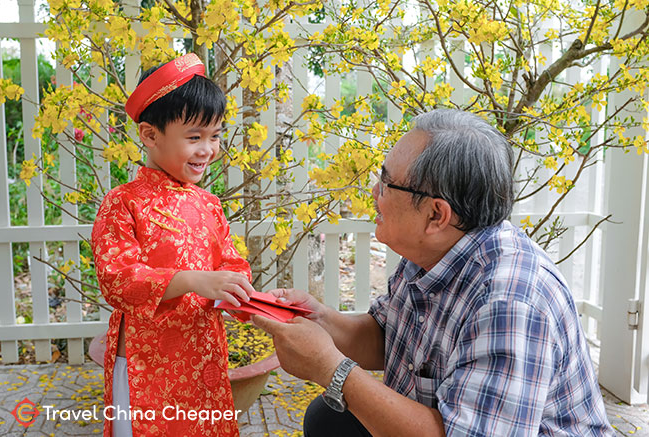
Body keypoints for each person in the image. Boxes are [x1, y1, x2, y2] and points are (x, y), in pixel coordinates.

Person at [253, 109, 614, 436]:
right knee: (328, 418)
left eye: (386, 182)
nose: (375, 192)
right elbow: (388, 335)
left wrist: (330, 368)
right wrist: (319, 320)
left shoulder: (510, 302)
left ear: (436, 215)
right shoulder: (431, 250)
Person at [91, 53, 255, 437]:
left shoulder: (208, 204)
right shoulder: (124, 201)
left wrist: (254, 301)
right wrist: (195, 280)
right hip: (145, 360)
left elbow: (230, 265)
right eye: (194, 137)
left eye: (214, 136)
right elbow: (117, 280)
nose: (208, 149)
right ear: (150, 134)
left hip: (202, 354)